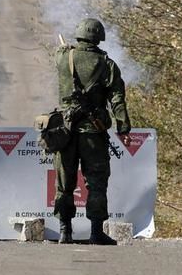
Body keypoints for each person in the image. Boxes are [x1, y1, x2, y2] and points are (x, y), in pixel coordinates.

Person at [53, 18, 132, 245]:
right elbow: (117, 99)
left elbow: (59, 53)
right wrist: (123, 126)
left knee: (64, 182)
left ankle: (64, 231)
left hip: (65, 132)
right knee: (96, 182)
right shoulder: (107, 65)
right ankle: (96, 233)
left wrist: (65, 49)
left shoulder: (62, 57)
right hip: (93, 134)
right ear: (99, 38)